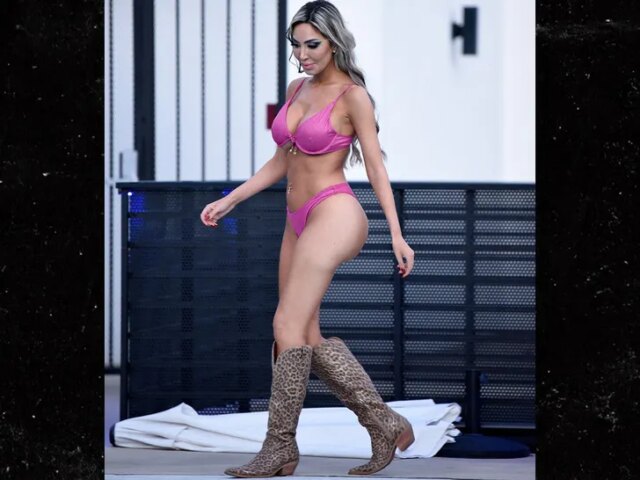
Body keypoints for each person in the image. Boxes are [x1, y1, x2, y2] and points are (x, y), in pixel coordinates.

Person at [199, 1, 415, 477]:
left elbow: (376, 168)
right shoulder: (296, 89)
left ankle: (279, 447)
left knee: (284, 323)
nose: (302, 54)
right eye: (296, 45)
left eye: (312, 44)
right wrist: (232, 199)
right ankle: (384, 422)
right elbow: (283, 160)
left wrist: (397, 235)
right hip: (296, 217)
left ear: (334, 42)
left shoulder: (354, 96)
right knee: (302, 334)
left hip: (335, 212)